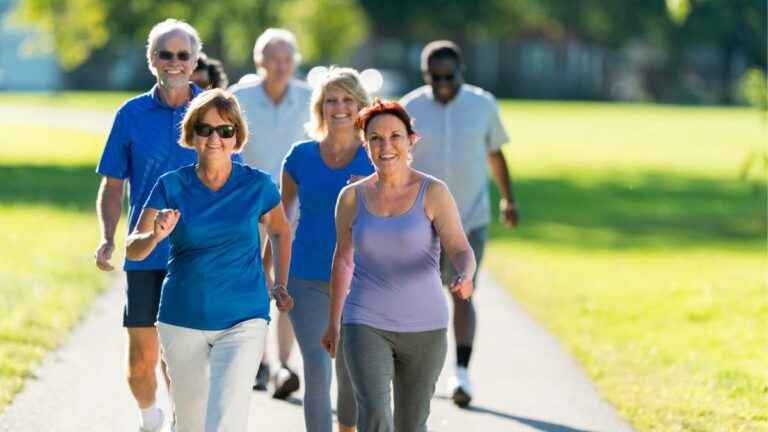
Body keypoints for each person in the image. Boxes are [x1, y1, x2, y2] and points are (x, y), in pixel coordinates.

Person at [125, 88, 294, 432]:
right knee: (190, 422)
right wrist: (155, 235)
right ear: (191, 135)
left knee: (225, 417)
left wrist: (279, 282)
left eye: (226, 130)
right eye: (205, 129)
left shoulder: (258, 186)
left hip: (243, 318)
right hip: (182, 317)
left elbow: (280, 231)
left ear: (237, 137)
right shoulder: (170, 185)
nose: (215, 138)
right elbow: (133, 248)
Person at [322, 99, 476, 432]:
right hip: (364, 321)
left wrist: (466, 274)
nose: (386, 145)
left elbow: (460, 248)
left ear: (411, 140)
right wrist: (334, 322)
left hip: (426, 327)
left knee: (411, 424)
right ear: (365, 145)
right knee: (375, 414)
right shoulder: (351, 197)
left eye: (395, 136)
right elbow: (343, 260)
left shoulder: (433, 191)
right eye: (375, 138)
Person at [93, 18, 205, 432]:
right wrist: (107, 238)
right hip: (145, 251)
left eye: (182, 55)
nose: (174, 63)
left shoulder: (213, 111)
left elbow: (235, 182)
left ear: (194, 62)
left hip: (197, 255)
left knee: (183, 356)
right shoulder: (131, 114)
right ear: (151, 60)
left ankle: (185, 422)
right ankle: (149, 417)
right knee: (141, 362)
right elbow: (112, 183)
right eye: (165, 54)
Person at [400, 40, 520, 408]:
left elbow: (495, 153)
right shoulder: (410, 107)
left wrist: (508, 199)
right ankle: (416, 369)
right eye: (434, 77)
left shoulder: (482, 104)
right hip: (420, 222)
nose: (442, 84)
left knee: (463, 292)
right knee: (419, 296)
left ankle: (462, 373)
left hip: (470, 218)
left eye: (448, 76)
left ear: (461, 72)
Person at [281, 67, 374, 432]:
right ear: (320, 107)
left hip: (362, 283)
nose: (339, 107)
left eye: (347, 99)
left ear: (360, 106)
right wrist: (273, 276)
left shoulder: (374, 157)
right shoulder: (300, 156)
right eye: (331, 100)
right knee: (317, 370)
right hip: (306, 277)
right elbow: (280, 223)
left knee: (351, 373)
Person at [231, 28, 312, 398]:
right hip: (247, 206)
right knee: (252, 284)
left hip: (294, 208)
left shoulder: (311, 98)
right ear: (259, 61)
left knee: (287, 284)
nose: (280, 66)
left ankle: (283, 364)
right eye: (273, 59)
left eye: (287, 59)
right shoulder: (238, 97)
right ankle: (258, 362)